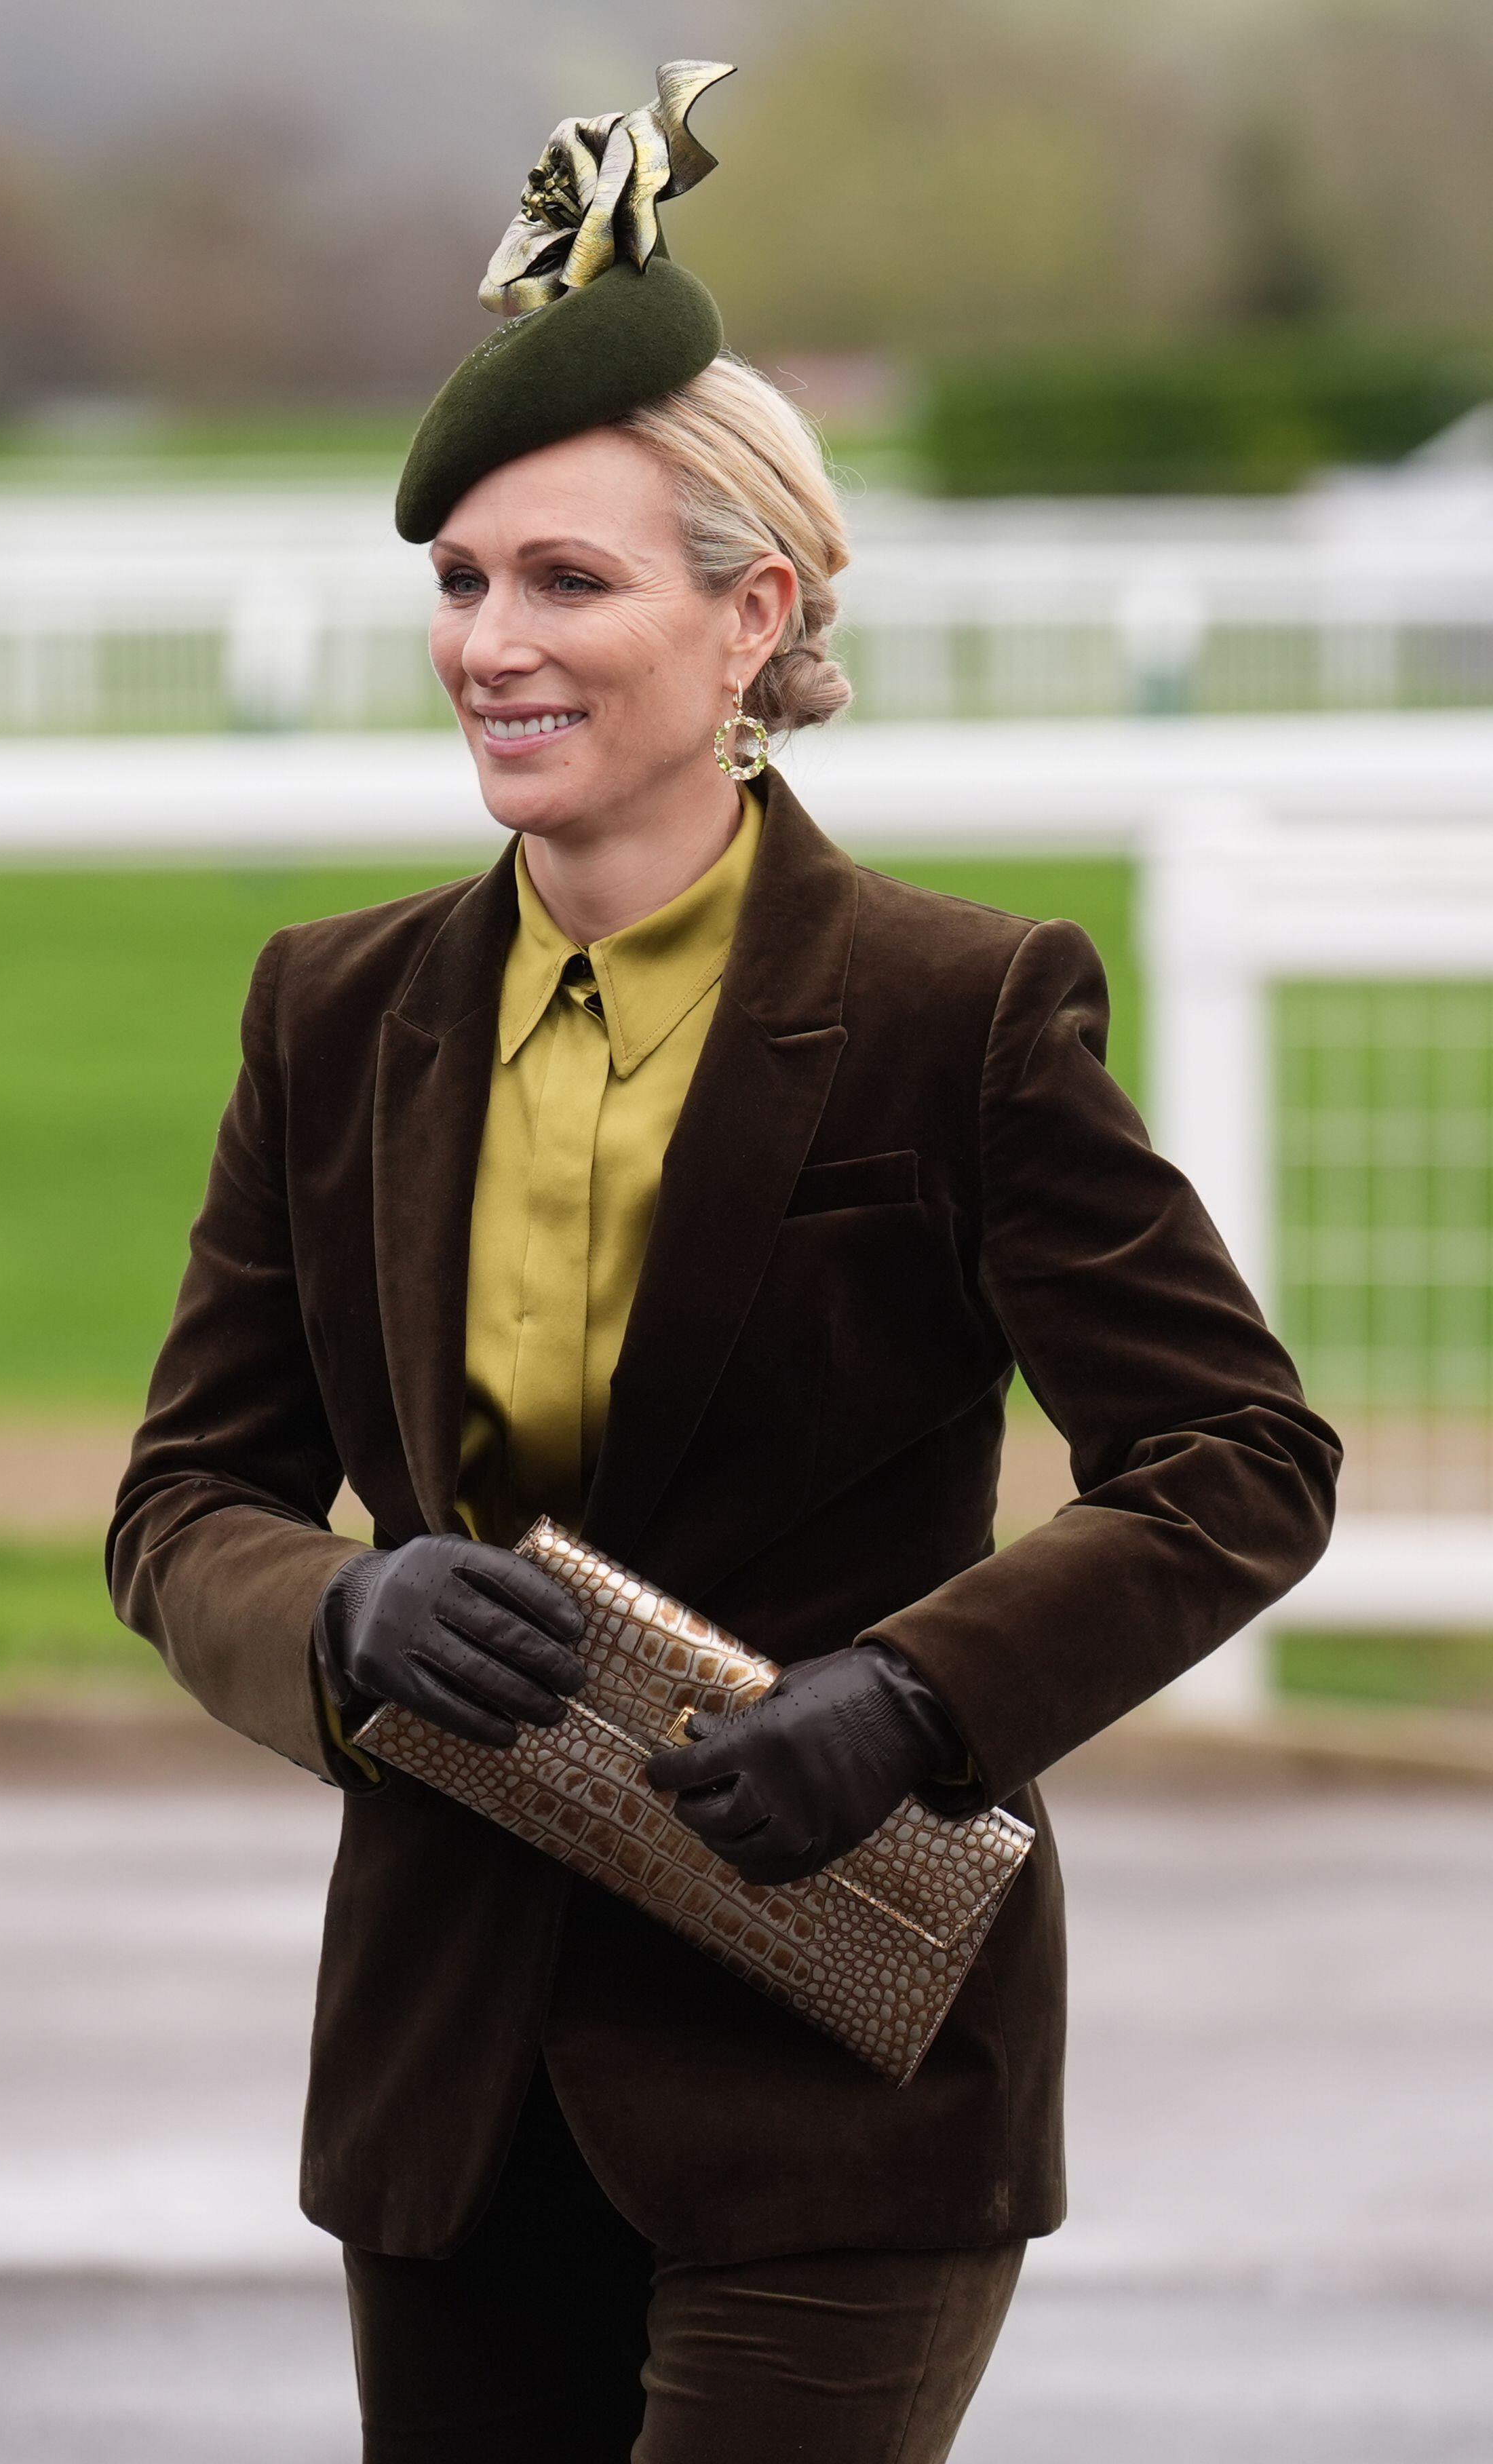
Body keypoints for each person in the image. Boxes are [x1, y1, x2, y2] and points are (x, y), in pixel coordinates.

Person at [107, 60, 1340, 2464]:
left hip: (840, 2063)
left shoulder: (958, 1014)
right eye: (459, 581)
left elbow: (1236, 1455)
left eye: (565, 578)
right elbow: (182, 1508)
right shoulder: (331, 1011)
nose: (489, 642)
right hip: (445, 2089)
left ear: (752, 611)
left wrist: (913, 1698)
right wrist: (335, 1624)